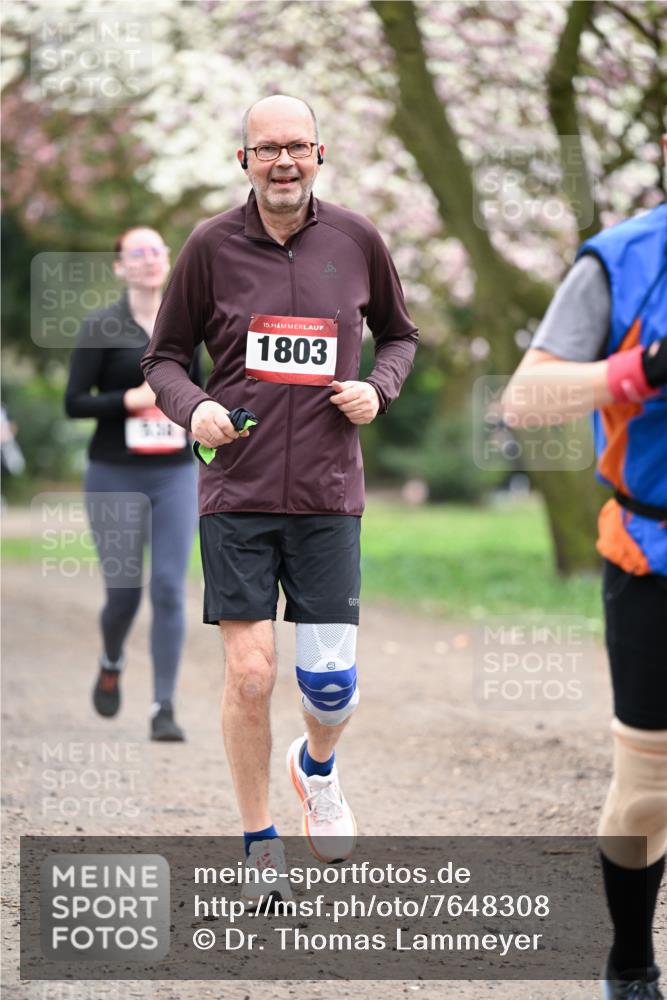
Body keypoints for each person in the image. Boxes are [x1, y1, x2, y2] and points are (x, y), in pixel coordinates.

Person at [141, 94, 418, 898]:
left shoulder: (358, 239)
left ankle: (317, 768)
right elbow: (162, 359)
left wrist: (380, 387)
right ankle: (258, 836)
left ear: (320, 154)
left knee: (328, 687)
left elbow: (399, 334)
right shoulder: (208, 246)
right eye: (268, 150)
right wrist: (197, 409)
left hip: (330, 492)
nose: (284, 162)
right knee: (254, 674)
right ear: (244, 161)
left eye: (297, 146)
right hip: (237, 489)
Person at [503, 144, 667, 999]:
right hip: (653, 553)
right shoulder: (623, 258)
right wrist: (637, 371)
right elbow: (525, 400)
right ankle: (630, 962)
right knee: (647, 789)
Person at [65, 226, 200, 742]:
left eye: (155, 251)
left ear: (167, 261)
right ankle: (111, 657)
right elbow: (74, 402)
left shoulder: (187, 324)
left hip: (174, 473)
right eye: (135, 253)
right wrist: (130, 400)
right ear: (120, 266)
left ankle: (163, 707)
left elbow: (203, 390)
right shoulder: (101, 324)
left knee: (168, 587)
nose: (147, 260)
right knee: (124, 593)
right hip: (113, 474)